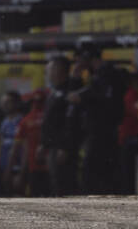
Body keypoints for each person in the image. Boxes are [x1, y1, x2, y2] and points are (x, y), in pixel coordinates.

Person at [69, 42, 127, 194]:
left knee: (95, 175)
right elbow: (76, 98)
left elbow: (107, 101)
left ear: (87, 57)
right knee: (95, 174)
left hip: (104, 133)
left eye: (79, 59)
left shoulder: (108, 74)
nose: (77, 63)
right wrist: (76, 80)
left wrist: (84, 97)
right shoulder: (96, 76)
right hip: (95, 132)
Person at [40, 55, 83, 195]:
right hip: (52, 146)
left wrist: (65, 147)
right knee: (56, 184)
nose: (48, 74)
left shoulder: (70, 90)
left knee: (65, 184)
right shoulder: (54, 92)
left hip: (63, 148)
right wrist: (44, 144)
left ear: (59, 70)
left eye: (50, 69)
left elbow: (71, 120)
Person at [12, 88, 50, 196]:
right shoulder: (51, 118)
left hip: (34, 166)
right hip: (49, 165)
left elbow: (18, 148)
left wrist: (19, 173)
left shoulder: (26, 120)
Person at [0, 91, 23, 196]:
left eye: (8, 102)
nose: (5, 105)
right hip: (2, 167)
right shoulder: (4, 123)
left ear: (16, 103)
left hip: (16, 167)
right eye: (4, 102)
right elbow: (0, 147)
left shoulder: (21, 121)